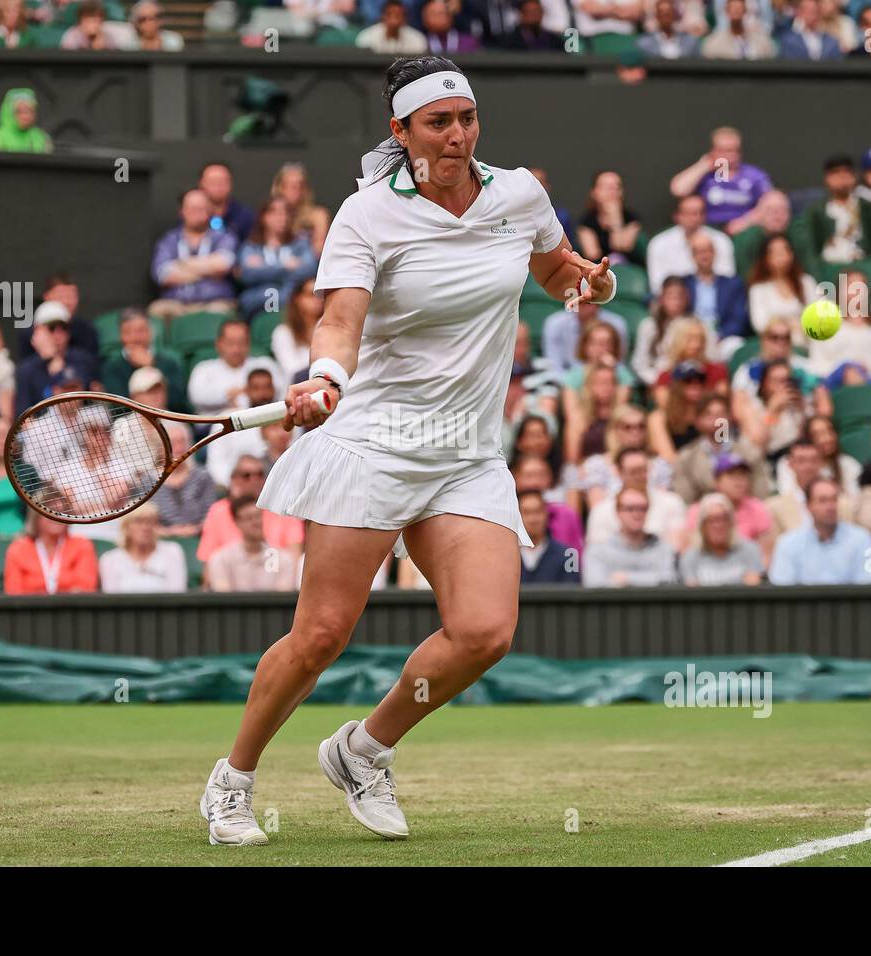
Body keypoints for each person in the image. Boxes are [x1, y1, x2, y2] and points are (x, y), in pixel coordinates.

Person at [202, 56, 616, 846]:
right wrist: (323, 376)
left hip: (464, 451)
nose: (457, 135)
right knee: (321, 634)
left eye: (466, 118)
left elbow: (554, 266)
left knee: (484, 631)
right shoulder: (365, 215)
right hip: (375, 444)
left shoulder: (519, 193)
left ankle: (363, 749)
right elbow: (340, 320)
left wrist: (586, 284)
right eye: (438, 122)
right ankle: (234, 780)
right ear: (400, 132)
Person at [197, 454, 303, 577]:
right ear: (234, 479)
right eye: (246, 475)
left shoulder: (283, 509)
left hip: (274, 580)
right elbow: (209, 562)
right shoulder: (218, 511)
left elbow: (294, 559)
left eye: (259, 474)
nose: (254, 480)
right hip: (230, 584)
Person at [148, 188, 239, 322]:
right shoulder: (169, 239)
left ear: (210, 211)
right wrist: (208, 269)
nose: (197, 213)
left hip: (214, 302)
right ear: (182, 211)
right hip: (175, 303)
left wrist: (181, 264)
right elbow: (162, 274)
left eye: (202, 208)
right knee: (157, 310)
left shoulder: (224, 237)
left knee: (221, 313)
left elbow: (223, 265)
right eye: (192, 208)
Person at [768, 477, 871, 584]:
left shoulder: (864, 539)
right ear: (808, 506)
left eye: (834, 499)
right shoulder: (787, 544)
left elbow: (870, 581)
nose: (830, 507)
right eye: (823, 501)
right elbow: (782, 587)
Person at [671, 392, 769, 503]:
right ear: (698, 421)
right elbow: (685, 501)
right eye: (709, 414)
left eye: (721, 413)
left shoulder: (749, 453)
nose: (717, 419)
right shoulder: (685, 459)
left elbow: (761, 497)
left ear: (730, 418)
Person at [802, 154, 871, 273]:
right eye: (836, 173)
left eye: (847, 172)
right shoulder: (816, 211)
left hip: (863, 264)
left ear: (854, 177)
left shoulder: (867, 207)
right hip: (830, 266)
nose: (842, 177)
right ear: (827, 178)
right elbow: (811, 250)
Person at [235, 196, 319, 321]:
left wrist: (264, 269)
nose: (282, 218)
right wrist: (285, 267)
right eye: (276, 213)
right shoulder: (251, 247)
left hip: (292, 311)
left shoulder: (301, 244)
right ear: (264, 217)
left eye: (286, 213)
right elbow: (246, 274)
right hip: (256, 309)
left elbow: (310, 269)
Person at [583, 487, 679, 587]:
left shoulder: (663, 549)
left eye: (642, 508)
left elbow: (669, 580)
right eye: (630, 509)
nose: (637, 514)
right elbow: (595, 585)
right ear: (617, 512)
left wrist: (626, 578)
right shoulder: (597, 552)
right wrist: (650, 579)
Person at [205, 496, 299, 592]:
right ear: (237, 522)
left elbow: (282, 599)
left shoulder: (283, 559)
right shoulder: (221, 559)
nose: (256, 522)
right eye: (249, 518)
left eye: (258, 516)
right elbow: (223, 598)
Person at [100, 309, 187, 411]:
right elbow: (118, 407)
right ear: (120, 335)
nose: (135, 338)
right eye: (127, 332)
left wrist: (151, 367)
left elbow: (176, 400)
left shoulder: (169, 363)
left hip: (167, 419)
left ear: (150, 332)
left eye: (140, 331)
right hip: (130, 422)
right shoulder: (112, 366)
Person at [646, 193, 734, 290]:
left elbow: (727, 279)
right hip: (673, 300)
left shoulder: (721, 240)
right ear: (677, 216)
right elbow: (657, 285)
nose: (695, 218)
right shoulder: (659, 243)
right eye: (689, 213)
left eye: (700, 213)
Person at [765, 437, 851, 536]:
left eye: (813, 460)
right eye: (801, 461)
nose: (808, 466)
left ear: (821, 462)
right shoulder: (775, 508)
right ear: (790, 464)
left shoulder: (843, 504)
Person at [678, 491, 764, 585]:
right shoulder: (690, 557)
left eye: (724, 519)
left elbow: (752, 591)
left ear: (732, 523)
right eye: (712, 520)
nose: (718, 525)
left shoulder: (749, 550)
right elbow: (692, 595)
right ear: (702, 526)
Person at [99, 503, 188, 593]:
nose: (145, 527)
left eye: (151, 521)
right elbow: (111, 599)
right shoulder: (109, 559)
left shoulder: (172, 551)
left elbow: (177, 595)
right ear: (126, 526)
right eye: (138, 521)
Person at [4, 512, 99, 594]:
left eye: (62, 512)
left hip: (72, 611)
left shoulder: (82, 545)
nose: (56, 516)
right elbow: (14, 594)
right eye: (50, 511)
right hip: (28, 612)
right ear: (36, 516)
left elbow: (85, 590)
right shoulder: (18, 548)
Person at [746, 233, 818, 342]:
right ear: (765, 258)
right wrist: (789, 325)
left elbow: (819, 315)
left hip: (810, 339)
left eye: (784, 251)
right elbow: (760, 324)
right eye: (774, 252)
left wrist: (801, 327)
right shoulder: (758, 289)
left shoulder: (806, 282)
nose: (781, 256)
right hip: (777, 342)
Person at [149, 421, 216, 537]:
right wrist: (170, 532)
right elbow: (144, 522)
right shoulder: (147, 481)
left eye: (182, 442)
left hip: (200, 539)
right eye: (173, 443)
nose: (179, 448)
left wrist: (195, 529)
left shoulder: (203, 476)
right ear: (160, 448)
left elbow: (212, 515)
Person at [576, 169, 644, 266]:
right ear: (594, 192)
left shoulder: (631, 218)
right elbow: (592, 254)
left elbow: (622, 246)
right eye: (607, 187)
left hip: (628, 271)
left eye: (617, 187)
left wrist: (616, 221)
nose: (613, 191)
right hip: (599, 271)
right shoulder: (586, 221)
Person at [515, 489, 579, 583]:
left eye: (537, 512)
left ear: (547, 514)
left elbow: (572, 591)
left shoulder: (569, 554)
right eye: (526, 513)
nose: (532, 519)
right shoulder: (506, 555)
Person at [270, 278, 323, 387]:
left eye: (320, 296)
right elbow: (292, 371)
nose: (317, 300)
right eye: (311, 295)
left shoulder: (329, 329)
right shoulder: (283, 332)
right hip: (297, 390)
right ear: (297, 298)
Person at [272, 162, 332, 257]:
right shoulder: (270, 215)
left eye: (300, 185)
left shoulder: (318, 215)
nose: (296, 189)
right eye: (290, 185)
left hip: (309, 268)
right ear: (280, 188)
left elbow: (320, 249)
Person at [699, 0, 775, 60]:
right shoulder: (713, 44)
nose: (736, 14)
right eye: (733, 10)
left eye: (739, 10)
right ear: (726, 12)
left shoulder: (762, 43)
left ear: (745, 11)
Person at [0, 87, 51, 153]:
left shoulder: (41, 137)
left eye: (30, 111)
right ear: (8, 113)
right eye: (20, 112)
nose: (26, 116)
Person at [777, 0, 842, 60]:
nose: (813, 15)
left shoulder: (831, 42)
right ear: (800, 13)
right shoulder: (789, 41)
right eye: (809, 11)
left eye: (816, 11)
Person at [356, 0, 428, 53]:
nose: (393, 20)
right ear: (382, 17)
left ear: (405, 19)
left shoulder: (418, 39)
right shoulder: (366, 37)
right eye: (389, 15)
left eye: (398, 15)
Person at [60, 0, 134, 48]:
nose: (92, 23)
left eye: (95, 19)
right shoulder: (71, 35)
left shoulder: (108, 36)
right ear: (81, 20)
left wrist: (100, 45)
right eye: (88, 18)